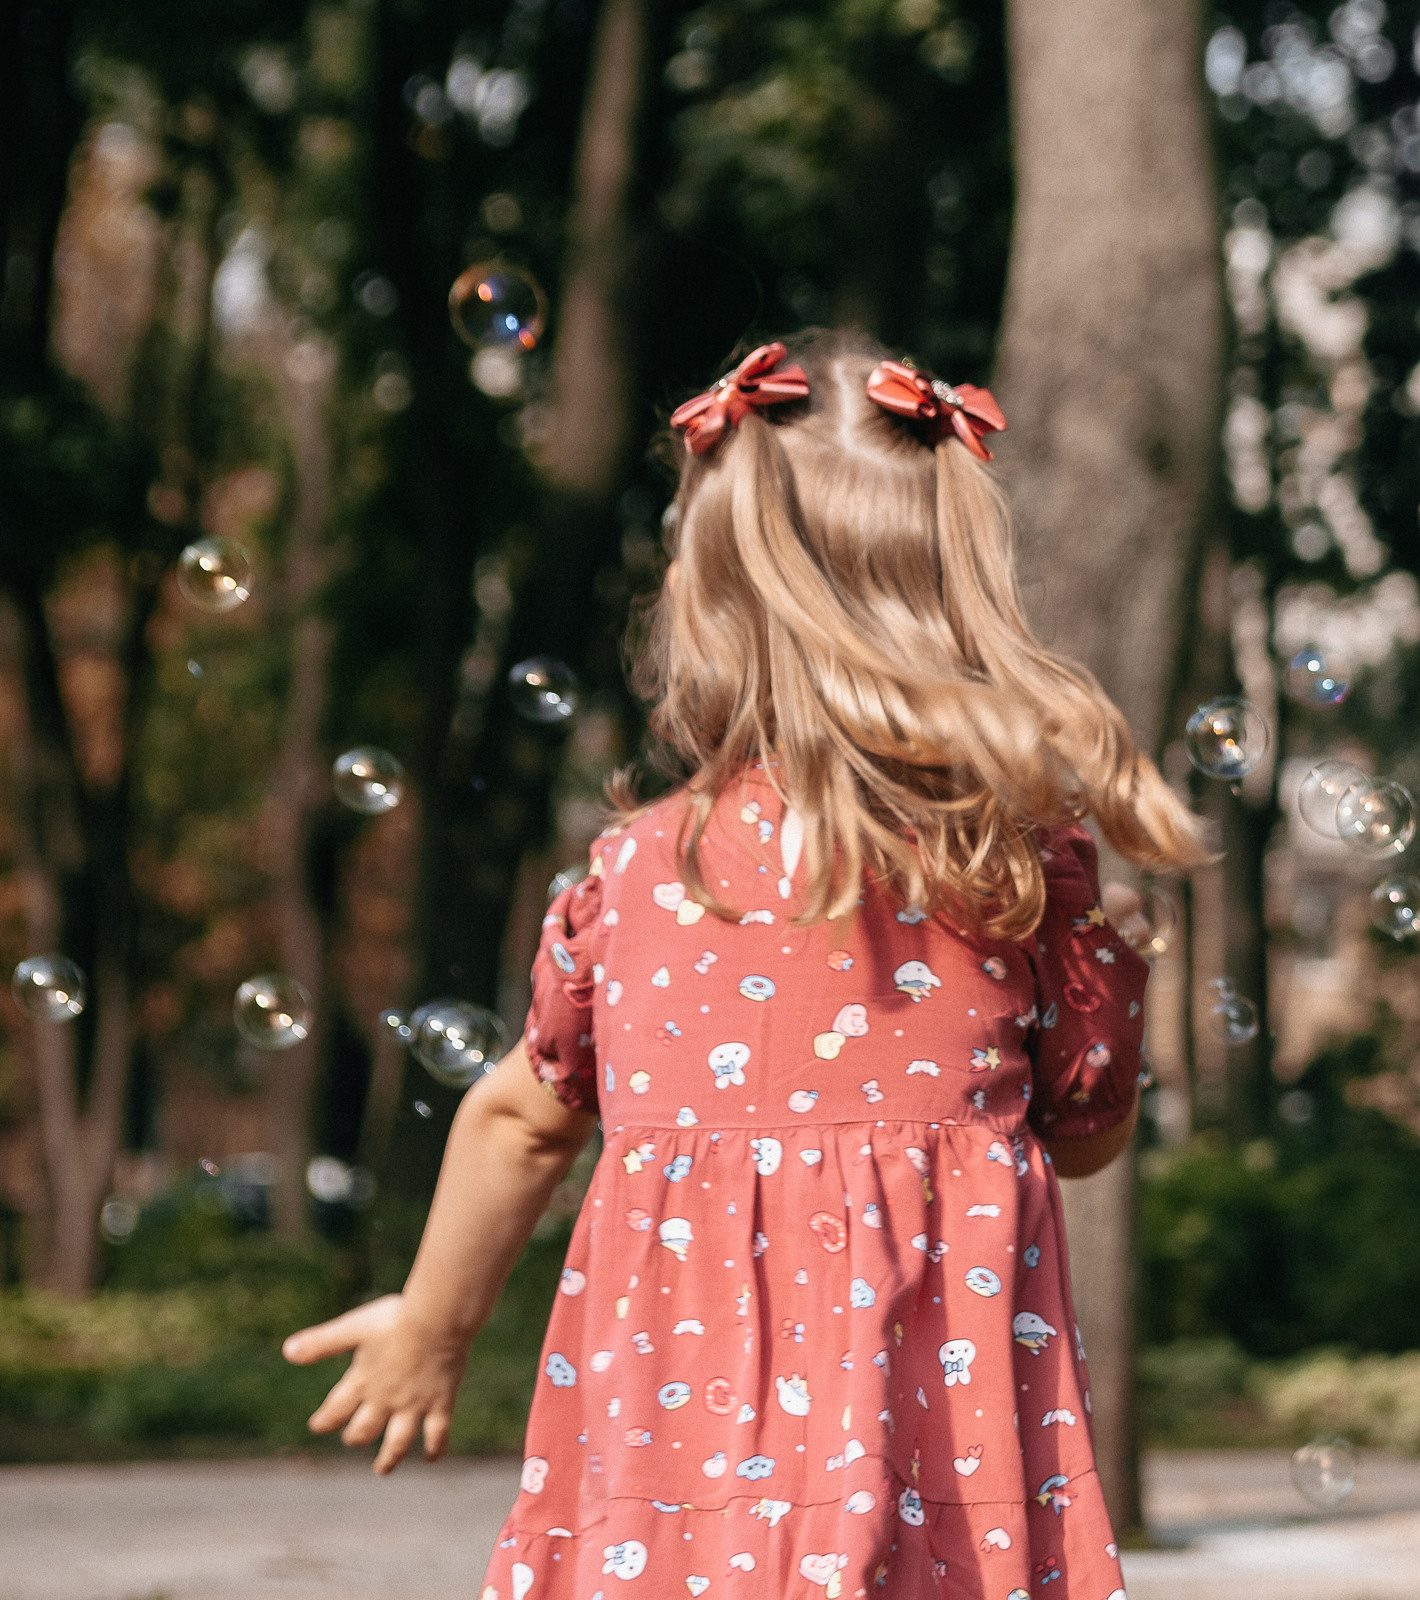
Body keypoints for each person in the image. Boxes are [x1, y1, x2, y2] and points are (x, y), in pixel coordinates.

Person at [282, 329, 1206, 1600]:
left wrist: (430, 1328)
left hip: (680, 1505)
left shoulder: (640, 872)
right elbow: (1089, 1132)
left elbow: (516, 1120)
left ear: (705, 600)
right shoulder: (1025, 872)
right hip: (942, 1502)